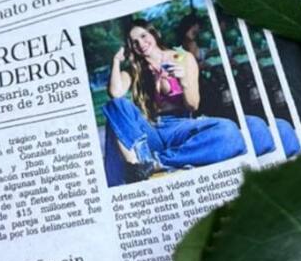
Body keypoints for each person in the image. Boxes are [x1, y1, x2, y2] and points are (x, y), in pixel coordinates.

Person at [103, 18, 246, 185]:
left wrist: (183, 80)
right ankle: (140, 163)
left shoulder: (183, 58)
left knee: (228, 131)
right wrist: (116, 61)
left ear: (154, 34)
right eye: (134, 42)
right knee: (115, 105)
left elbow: (193, 105)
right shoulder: (135, 70)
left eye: (143, 36)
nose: (141, 43)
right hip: (151, 130)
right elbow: (115, 92)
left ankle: (156, 162)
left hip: (179, 126)